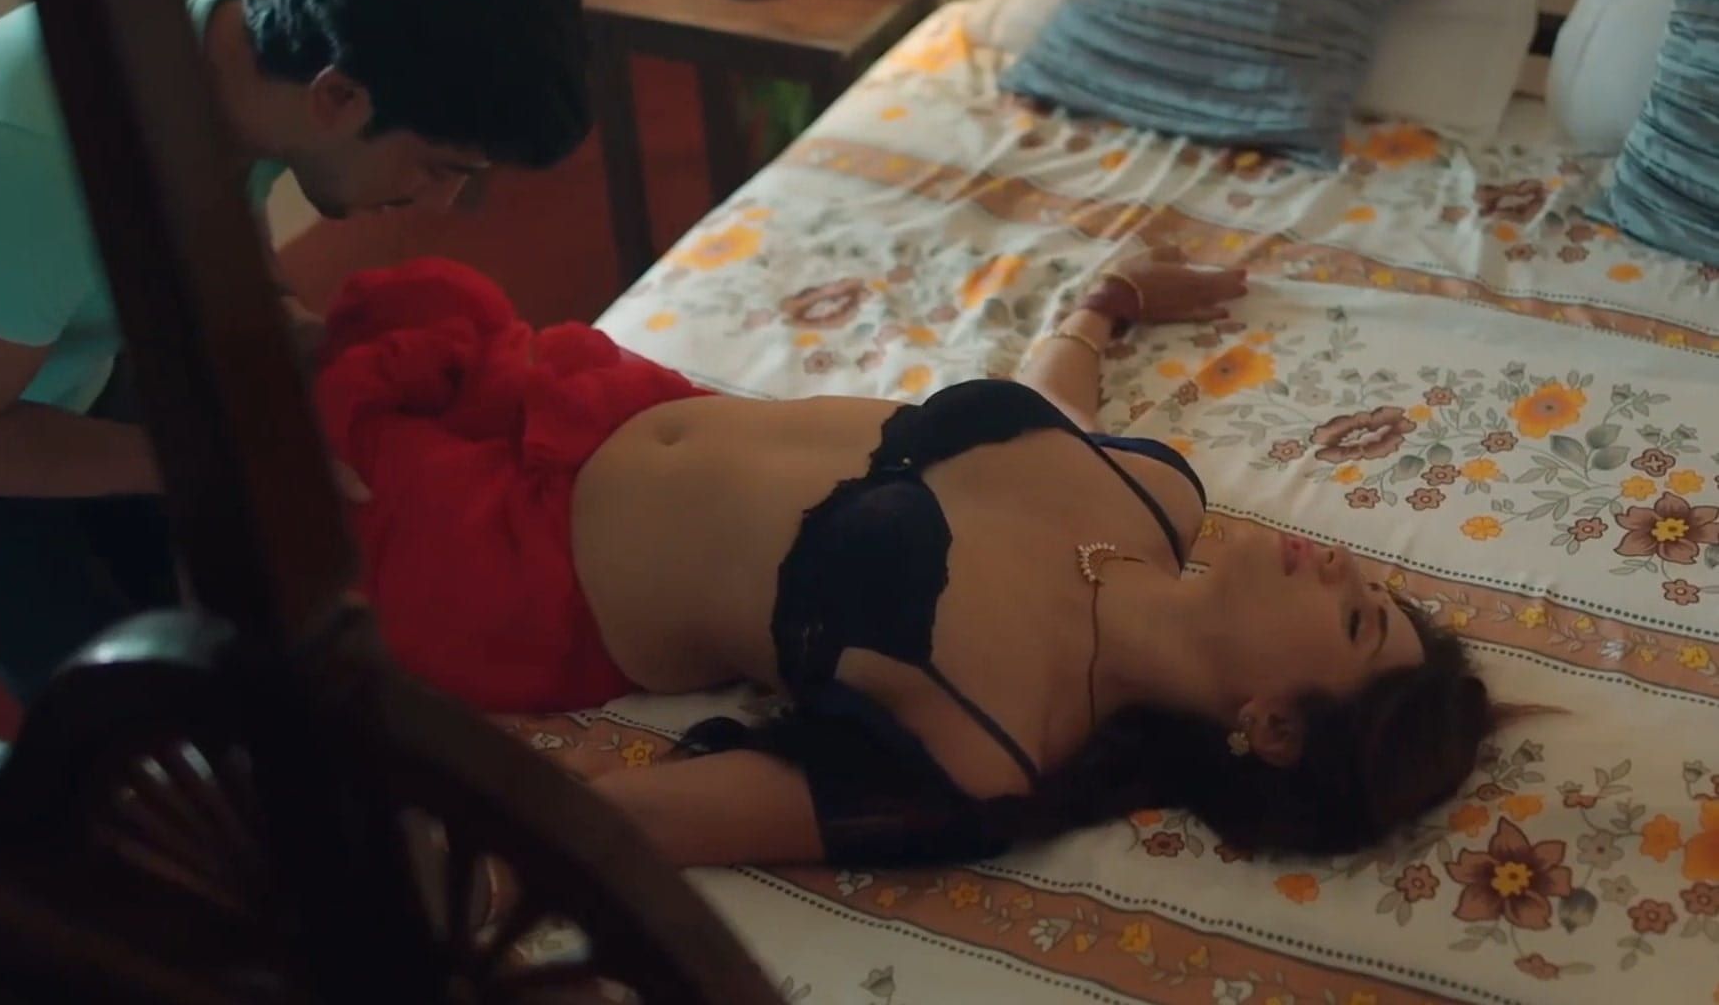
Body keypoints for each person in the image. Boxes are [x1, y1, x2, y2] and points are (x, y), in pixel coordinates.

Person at [316, 246, 1503, 870]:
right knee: (285, 326)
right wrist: (1106, 301)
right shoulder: (1156, 497)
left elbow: (637, 823)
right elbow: (1046, 411)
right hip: (596, 396)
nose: (1341, 570)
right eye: (1373, 588)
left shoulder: (989, 746)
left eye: (1354, 620)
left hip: (515, 573)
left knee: (226, 436)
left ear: (1272, 726)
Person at [0, 0, 589, 700]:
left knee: (224, 609)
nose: (442, 202)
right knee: (132, 705)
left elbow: (217, 198)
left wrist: (288, 322)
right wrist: (203, 463)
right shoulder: (32, 174)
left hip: (39, 349)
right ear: (338, 98)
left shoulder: (249, 30)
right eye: (438, 167)